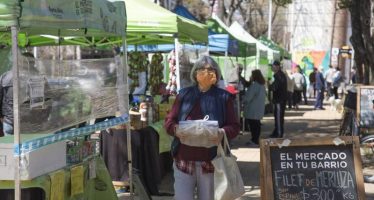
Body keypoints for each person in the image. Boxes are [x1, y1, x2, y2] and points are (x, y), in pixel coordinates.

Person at [164, 56, 240, 200]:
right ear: (195, 73)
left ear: (216, 74)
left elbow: (234, 126)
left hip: (211, 162)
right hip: (183, 161)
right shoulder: (184, 94)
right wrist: (176, 130)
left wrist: (222, 132)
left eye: (210, 69)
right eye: (202, 69)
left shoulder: (224, 97)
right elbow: (169, 121)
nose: (206, 72)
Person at [242, 70, 266, 147]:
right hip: (258, 108)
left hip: (253, 109)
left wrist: (243, 99)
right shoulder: (262, 85)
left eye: (251, 75)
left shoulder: (255, 85)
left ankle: (254, 140)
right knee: (257, 125)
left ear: (254, 76)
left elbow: (248, 97)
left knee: (253, 125)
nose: (250, 77)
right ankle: (255, 139)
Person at [269, 61, 287, 138]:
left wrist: (270, 85)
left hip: (279, 100)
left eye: (272, 66)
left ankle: (279, 133)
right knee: (277, 117)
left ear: (277, 67)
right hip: (279, 99)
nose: (271, 68)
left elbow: (275, 87)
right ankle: (276, 132)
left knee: (279, 117)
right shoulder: (279, 75)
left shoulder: (278, 75)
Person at [0, 70, 13, 135]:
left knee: (9, 143)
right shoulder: (35, 75)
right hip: (30, 121)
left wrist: (1, 117)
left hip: (9, 120)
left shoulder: (5, 76)